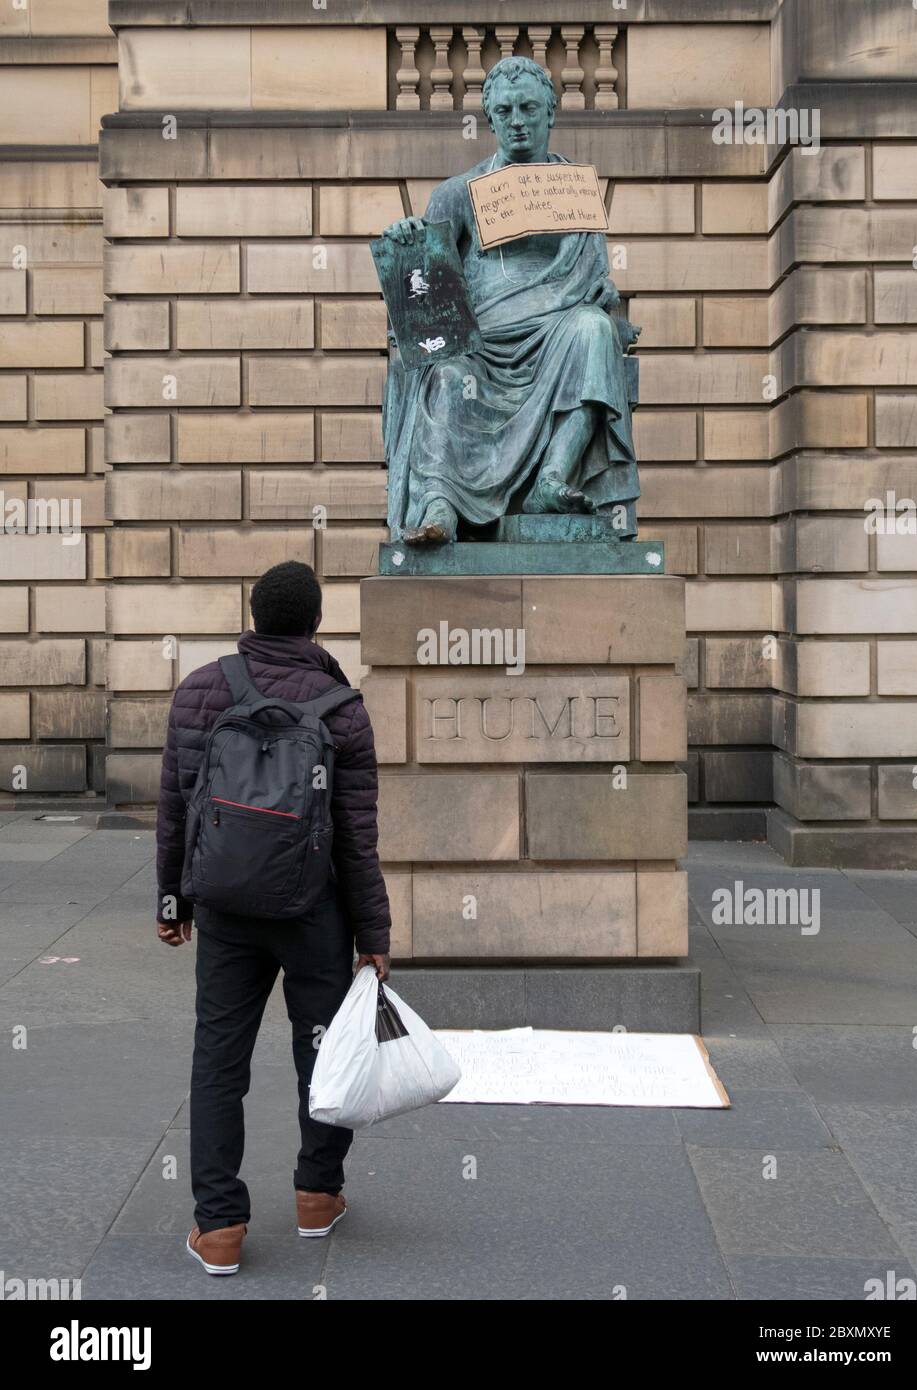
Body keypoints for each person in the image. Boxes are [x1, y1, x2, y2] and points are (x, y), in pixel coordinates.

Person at [154, 561, 391, 1276]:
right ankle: (317, 1194)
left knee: (219, 1060)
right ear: (315, 623)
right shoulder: (341, 707)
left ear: (252, 615)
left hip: (224, 910)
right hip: (313, 914)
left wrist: (173, 900)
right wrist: (373, 938)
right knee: (319, 1054)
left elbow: (174, 809)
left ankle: (219, 1226)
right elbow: (356, 836)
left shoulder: (200, 689)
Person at [380, 55, 640, 545]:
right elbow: (426, 291)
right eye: (504, 112)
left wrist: (606, 292)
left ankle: (552, 479)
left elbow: (595, 276)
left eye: (527, 108)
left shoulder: (575, 193)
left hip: (557, 336)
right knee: (447, 374)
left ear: (550, 114)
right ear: (491, 119)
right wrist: (408, 243)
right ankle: (440, 508)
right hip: (482, 348)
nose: (516, 121)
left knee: (594, 329)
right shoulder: (457, 194)